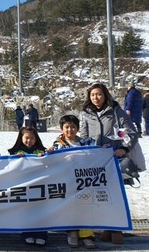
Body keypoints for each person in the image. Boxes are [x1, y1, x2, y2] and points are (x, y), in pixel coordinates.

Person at [79, 83, 138, 245]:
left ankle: (116, 227)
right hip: (95, 161)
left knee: (116, 194)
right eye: (92, 95)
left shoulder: (116, 111)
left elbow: (130, 132)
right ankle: (107, 228)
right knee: (100, 195)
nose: (95, 98)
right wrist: (85, 149)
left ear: (105, 95)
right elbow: (83, 136)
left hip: (113, 159)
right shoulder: (85, 113)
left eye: (98, 94)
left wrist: (124, 149)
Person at [45, 115, 95, 249]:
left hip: (83, 181)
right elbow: (52, 161)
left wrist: (105, 150)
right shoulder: (58, 144)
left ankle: (86, 234)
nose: (70, 130)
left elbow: (96, 153)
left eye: (73, 127)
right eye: (67, 127)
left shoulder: (86, 142)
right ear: (62, 129)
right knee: (70, 206)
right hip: (66, 181)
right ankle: (72, 231)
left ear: (77, 128)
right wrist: (48, 153)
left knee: (85, 206)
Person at [7, 126, 47, 246]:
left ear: (36, 139)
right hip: (23, 187)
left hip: (39, 186)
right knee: (26, 211)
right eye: (26, 138)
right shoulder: (15, 152)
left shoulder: (40, 151)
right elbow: (9, 168)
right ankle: (27, 233)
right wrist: (15, 159)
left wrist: (45, 157)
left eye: (32, 138)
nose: (29, 141)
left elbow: (50, 164)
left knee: (41, 211)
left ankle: (41, 233)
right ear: (21, 138)